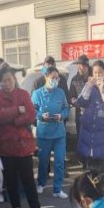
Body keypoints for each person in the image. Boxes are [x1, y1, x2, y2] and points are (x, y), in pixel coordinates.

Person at [0, 66, 46, 208]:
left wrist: (15, 121)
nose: (7, 83)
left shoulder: (23, 94)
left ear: (14, 79)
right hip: (6, 146)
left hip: (23, 145)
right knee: (10, 180)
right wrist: (17, 109)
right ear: (0, 82)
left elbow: (31, 114)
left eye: (9, 80)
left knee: (28, 179)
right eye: (3, 81)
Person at [32, 66, 69, 198]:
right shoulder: (37, 94)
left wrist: (62, 115)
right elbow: (32, 110)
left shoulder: (60, 92)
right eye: (53, 78)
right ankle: (41, 183)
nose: (55, 80)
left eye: (57, 78)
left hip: (59, 133)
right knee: (43, 161)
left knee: (59, 162)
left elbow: (66, 108)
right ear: (46, 77)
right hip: (44, 133)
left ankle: (57, 189)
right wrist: (41, 115)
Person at [75, 60, 104, 173]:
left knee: (100, 170)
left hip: (101, 133)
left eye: (100, 73)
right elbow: (80, 102)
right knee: (88, 170)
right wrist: (88, 87)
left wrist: (102, 89)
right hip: (87, 133)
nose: (97, 76)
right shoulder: (89, 86)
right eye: (95, 73)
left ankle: (100, 183)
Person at [69, 54, 91, 143]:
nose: (79, 68)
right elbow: (71, 97)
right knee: (81, 139)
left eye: (82, 66)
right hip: (80, 115)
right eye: (78, 66)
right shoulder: (74, 79)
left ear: (87, 67)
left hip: (93, 114)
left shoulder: (93, 78)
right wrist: (77, 103)